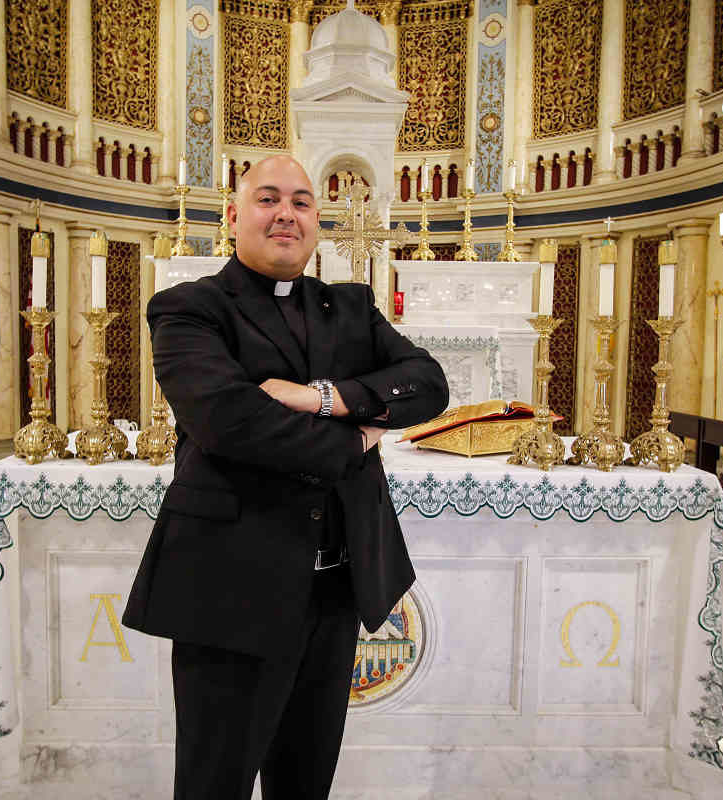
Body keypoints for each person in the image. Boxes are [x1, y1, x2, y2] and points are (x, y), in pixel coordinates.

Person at [122, 155, 449, 799]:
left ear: (316, 221)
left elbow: (428, 384)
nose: (285, 214)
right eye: (268, 199)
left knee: (305, 782)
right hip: (230, 587)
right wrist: (357, 434)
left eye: (301, 202)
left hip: (334, 589)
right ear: (233, 215)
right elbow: (232, 423)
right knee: (214, 784)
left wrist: (320, 397)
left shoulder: (349, 307)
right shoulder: (189, 308)